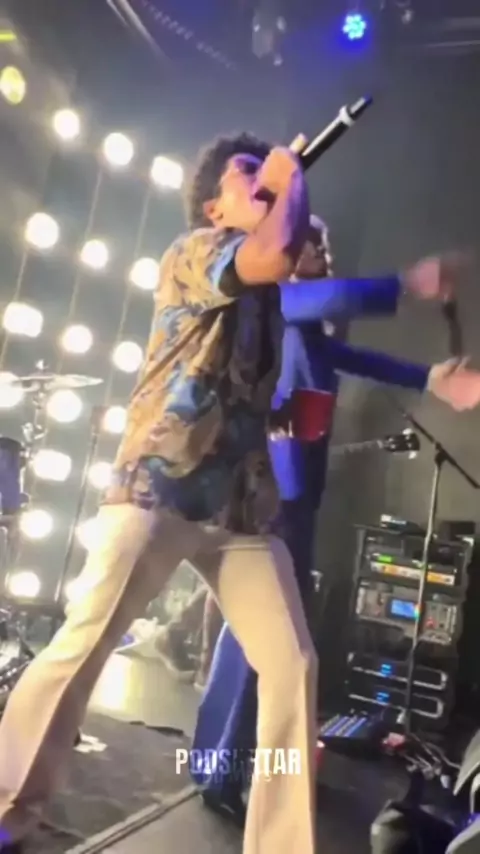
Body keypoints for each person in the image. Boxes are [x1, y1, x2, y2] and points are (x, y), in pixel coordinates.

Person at [0, 133, 479, 854]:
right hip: (161, 490)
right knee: (84, 646)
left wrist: (426, 378)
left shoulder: (275, 296)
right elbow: (289, 266)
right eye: (244, 173)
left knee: (292, 666)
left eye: (264, 171)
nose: (260, 180)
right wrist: (394, 274)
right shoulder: (196, 252)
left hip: (240, 514)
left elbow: (324, 326)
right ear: (214, 208)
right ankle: (8, 809)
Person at [190, 213, 480, 825]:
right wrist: (409, 283)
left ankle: (221, 765)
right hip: (270, 496)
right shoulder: (280, 298)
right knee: (269, 643)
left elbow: (354, 356)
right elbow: (326, 302)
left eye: (325, 244)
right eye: (313, 244)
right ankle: (222, 769)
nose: (325, 251)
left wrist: (432, 378)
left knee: (258, 639)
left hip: (294, 496)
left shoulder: (309, 323)